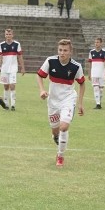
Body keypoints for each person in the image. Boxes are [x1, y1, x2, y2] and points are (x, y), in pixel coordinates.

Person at [36, 39, 85, 168]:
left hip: (68, 100)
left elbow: (82, 83)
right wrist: (42, 90)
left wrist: (80, 103)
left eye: (65, 51)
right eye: (60, 50)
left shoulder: (76, 66)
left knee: (64, 126)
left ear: (70, 52)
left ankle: (60, 156)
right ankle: (57, 139)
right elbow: (39, 75)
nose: (62, 53)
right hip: (53, 101)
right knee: (55, 132)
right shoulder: (50, 61)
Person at [0, 27, 25, 110]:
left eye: (10, 34)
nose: (8, 35)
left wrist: (22, 68)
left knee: (12, 86)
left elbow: (20, 56)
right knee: (6, 86)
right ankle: (6, 105)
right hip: (4, 69)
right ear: (5, 35)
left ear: (12, 35)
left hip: (13, 68)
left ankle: (13, 105)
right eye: (7, 34)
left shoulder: (17, 44)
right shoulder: (1, 45)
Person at [87, 37, 105, 109]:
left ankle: (99, 102)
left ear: (101, 43)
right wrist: (89, 73)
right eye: (95, 42)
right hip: (94, 73)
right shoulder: (91, 52)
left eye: (98, 42)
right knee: (95, 88)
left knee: (101, 90)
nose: (96, 44)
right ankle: (98, 104)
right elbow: (90, 63)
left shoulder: (104, 52)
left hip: (101, 73)